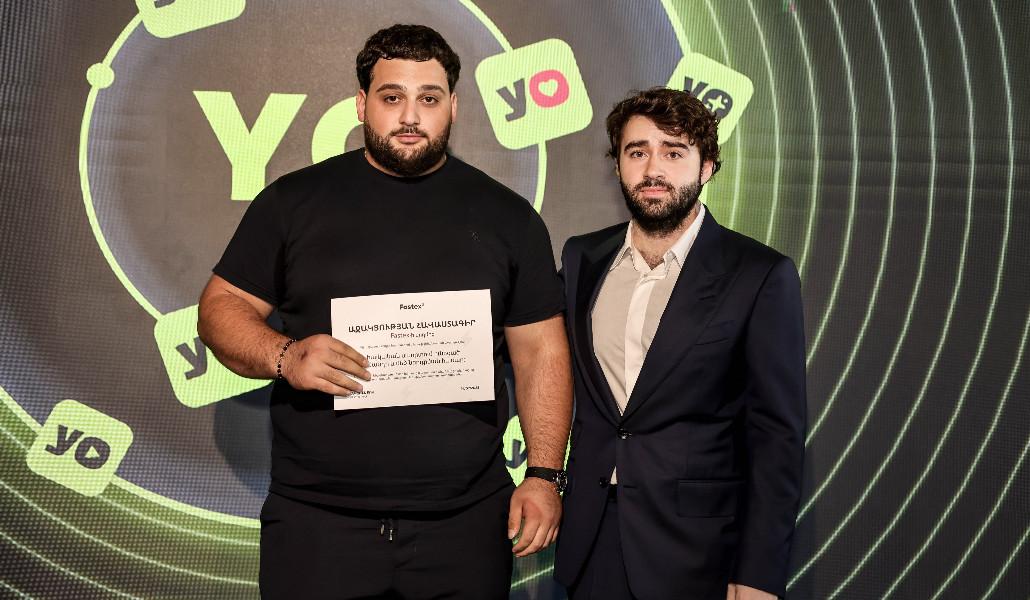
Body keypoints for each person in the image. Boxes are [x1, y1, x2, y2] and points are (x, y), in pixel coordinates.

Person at [197, 24, 572, 600]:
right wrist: (285, 355)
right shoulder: (292, 202)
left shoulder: (509, 217)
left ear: (454, 107)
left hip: (466, 520)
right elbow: (221, 306)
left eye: (430, 98)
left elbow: (541, 349)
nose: (410, 116)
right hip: (318, 520)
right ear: (361, 104)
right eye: (392, 96)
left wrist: (544, 474)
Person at [554, 87, 807, 600]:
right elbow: (527, 344)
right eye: (637, 152)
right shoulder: (583, 258)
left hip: (697, 550)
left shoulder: (759, 274)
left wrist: (758, 574)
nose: (653, 169)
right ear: (618, 165)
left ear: (707, 166)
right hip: (590, 538)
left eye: (673, 152)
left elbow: (776, 437)